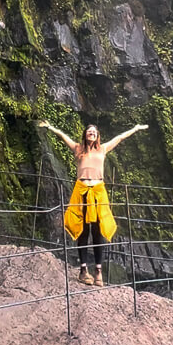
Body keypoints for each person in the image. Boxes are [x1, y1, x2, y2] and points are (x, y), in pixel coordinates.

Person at [37, 120, 148, 287]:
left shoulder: (102, 149)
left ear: (97, 136)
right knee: (83, 229)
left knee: (97, 230)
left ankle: (98, 271)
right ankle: (83, 270)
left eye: (94, 132)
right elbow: (63, 136)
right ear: (85, 134)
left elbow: (119, 137)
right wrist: (50, 127)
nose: (92, 133)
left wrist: (136, 128)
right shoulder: (78, 149)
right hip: (81, 191)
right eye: (89, 131)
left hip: (98, 192)